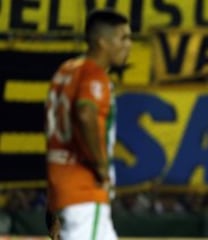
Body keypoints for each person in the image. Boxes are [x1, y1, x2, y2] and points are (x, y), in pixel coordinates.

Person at [45, 9, 131, 240]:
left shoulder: (65, 70)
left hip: (62, 182)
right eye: (123, 37)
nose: (129, 45)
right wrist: (100, 165)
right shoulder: (94, 74)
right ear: (102, 41)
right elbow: (85, 113)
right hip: (83, 187)